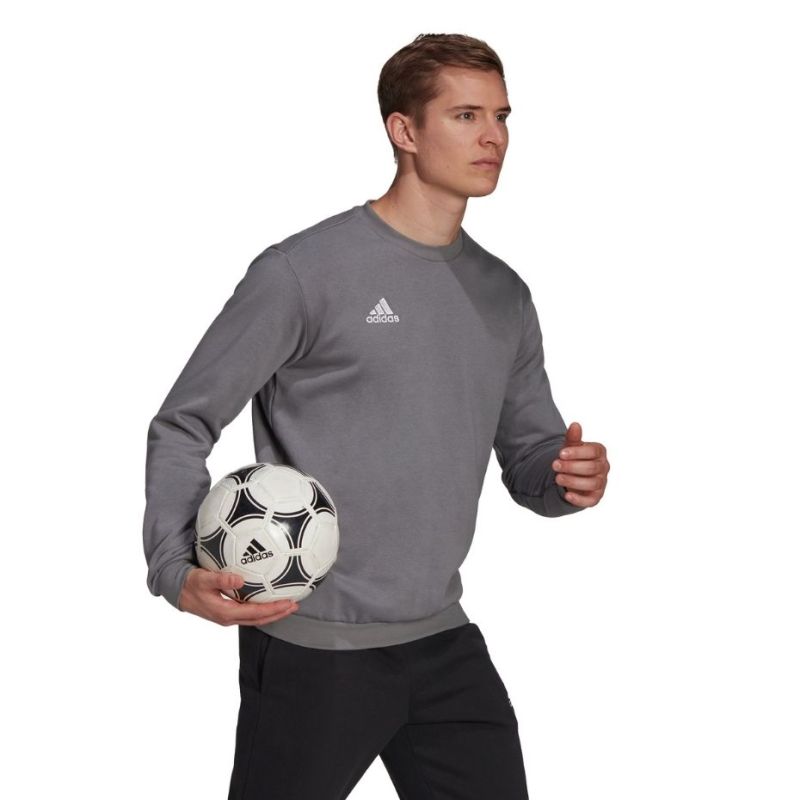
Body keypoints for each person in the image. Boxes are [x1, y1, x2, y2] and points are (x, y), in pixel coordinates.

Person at [142, 32, 610, 800]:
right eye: (465, 115)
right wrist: (173, 566)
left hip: (443, 639)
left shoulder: (504, 295)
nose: (493, 136)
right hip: (312, 647)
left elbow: (530, 456)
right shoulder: (302, 273)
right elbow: (183, 422)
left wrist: (567, 477)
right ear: (405, 130)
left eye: (501, 115)